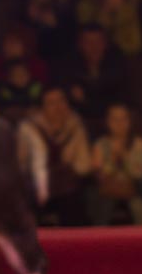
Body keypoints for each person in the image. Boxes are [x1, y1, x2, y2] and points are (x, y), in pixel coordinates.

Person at [18, 86, 92, 225]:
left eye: (61, 101)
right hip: (36, 187)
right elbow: (21, 163)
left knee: (75, 198)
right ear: (43, 108)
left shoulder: (76, 126)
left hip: (66, 188)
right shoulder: (29, 128)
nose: (58, 107)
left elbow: (83, 165)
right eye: (52, 103)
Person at [87, 103, 142, 225]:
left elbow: (140, 173)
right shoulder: (100, 144)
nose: (119, 124)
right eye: (115, 119)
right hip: (107, 190)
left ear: (129, 121)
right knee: (102, 206)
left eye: (123, 119)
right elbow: (98, 174)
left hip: (132, 189)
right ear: (108, 122)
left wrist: (124, 158)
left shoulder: (139, 144)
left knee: (139, 206)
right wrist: (113, 160)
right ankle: (98, 239)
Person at [56, 24, 128, 123]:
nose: (94, 47)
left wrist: (87, 99)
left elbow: (120, 99)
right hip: (79, 120)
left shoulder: (118, 65)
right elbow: (68, 96)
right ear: (80, 45)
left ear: (106, 44)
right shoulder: (69, 65)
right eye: (88, 42)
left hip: (112, 119)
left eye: (98, 41)